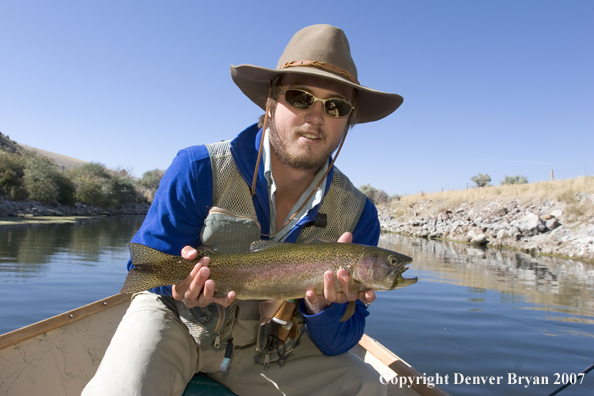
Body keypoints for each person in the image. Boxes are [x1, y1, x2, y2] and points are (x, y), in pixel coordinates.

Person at [83, 24, 403, 396]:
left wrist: (323, 308)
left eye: (335, 106)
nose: (316, 117)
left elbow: (338, 344)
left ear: (347, 121)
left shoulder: (358, 214)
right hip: (179, 326)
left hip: (277, 352)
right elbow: (145, 271)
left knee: (370, 387)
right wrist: (178, 285)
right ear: (270, 101)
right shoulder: (198, 168)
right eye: (300, 98)